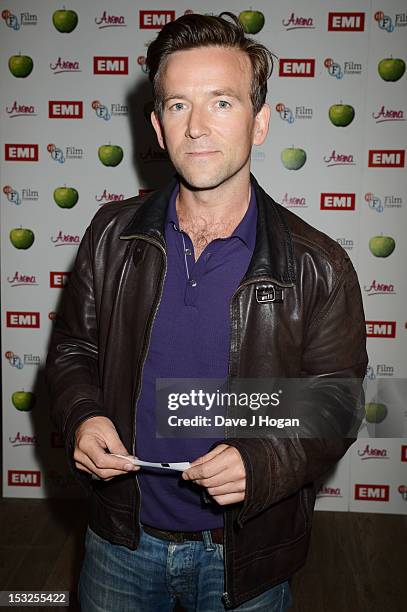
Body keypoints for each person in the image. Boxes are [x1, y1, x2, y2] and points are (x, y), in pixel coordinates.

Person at [46, 12, 367, 612]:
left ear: (260, 121)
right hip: (121, 539)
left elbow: (337, 399)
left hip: (244, 555)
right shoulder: (110, 234)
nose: (196, 127)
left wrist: (265, 461)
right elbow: (72, 351)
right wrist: (85, 414)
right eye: (177, 106)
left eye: (221, 102)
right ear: (158, 128)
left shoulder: (318, 263)